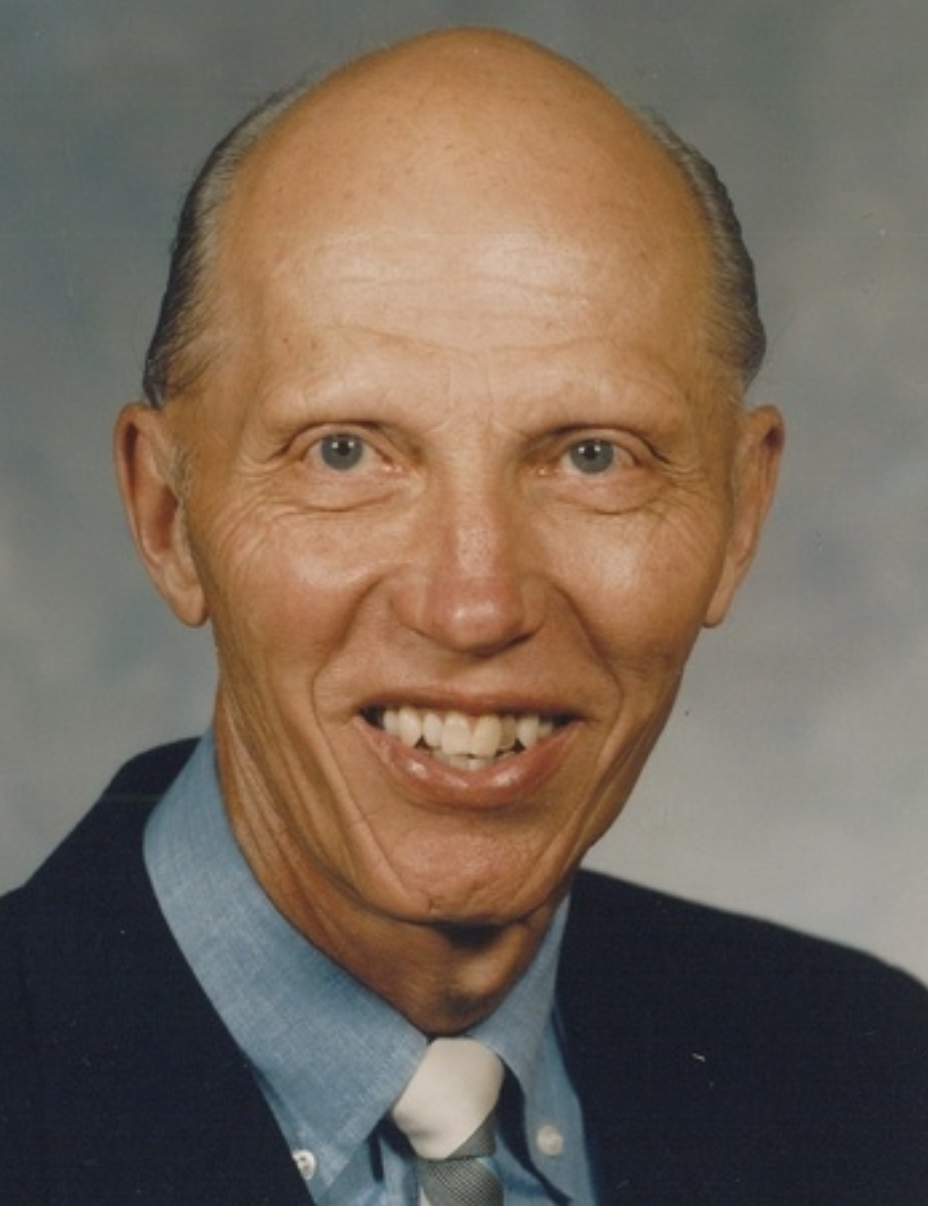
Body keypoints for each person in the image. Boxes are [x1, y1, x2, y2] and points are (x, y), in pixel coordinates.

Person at [1, 27, 925, 1206]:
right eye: (345, 453)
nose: (474, 603)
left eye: (593, 456)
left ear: (739, 518)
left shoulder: (879, 1080)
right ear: (168, 518)